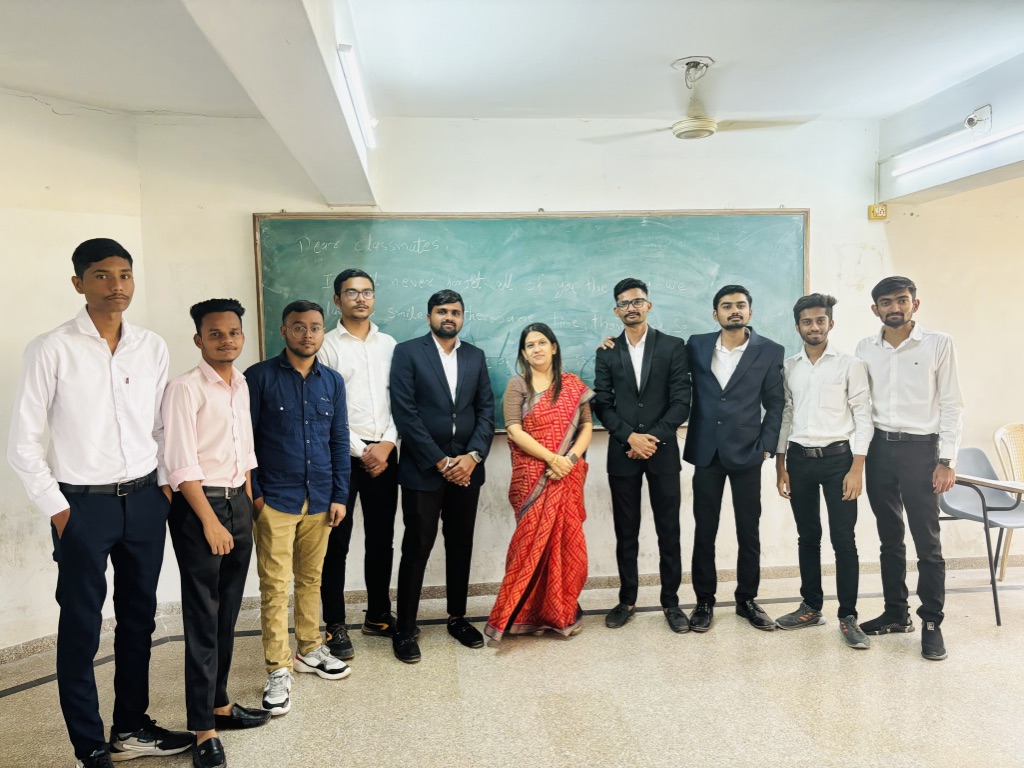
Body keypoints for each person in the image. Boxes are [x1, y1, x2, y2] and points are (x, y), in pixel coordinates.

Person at [7, 238, 194, 768]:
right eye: (102, 275)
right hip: (82, 507)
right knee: (82, 625)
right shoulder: (51, 348)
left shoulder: (150, 345)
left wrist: (163, 485)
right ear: (78, 283)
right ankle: (89, 746)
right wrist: (60, 509)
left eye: (125, 275)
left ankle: (131, 728)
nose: (117, 286)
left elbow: (160, 426)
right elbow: (23, 443)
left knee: (139, 619)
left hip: (144, 501)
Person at [162, 299, 271, 768]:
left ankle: (220, 704)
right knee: (203, 617)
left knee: (227, 610)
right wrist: (210, 520)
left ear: (242, 336)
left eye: (233, 332)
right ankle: (202, 728)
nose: (226, 340)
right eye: (215, 334)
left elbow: (243, 451)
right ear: (198, 339)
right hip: (200, 506)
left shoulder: (240, 384)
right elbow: (179, 463)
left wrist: (245, 502)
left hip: (236, 501)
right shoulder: (184, 388)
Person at [246, 300, 351, 716]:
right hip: (276, 498)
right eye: (299, 327)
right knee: (275, 587)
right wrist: (256, 495)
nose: (308, 334)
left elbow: (339, 440)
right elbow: (246, 440)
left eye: (315, 327)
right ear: (284, 330)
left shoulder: (333, 381)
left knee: (310, 579)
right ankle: (278, 667)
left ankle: (309, 647)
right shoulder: (259, 377)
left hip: (321, 498)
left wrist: (339, 495)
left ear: (323, 331)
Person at [855, 276, 964, 661]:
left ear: (914, 304)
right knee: (889, 538)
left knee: (927, 543)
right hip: (880, 449)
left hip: (922, 451)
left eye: (901, 300)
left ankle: (932, 622)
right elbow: (861, 406)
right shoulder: (865, 348)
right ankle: (895, 613)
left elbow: (952, 404)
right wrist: (859, 456)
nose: (894, 307)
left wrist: (946, 460)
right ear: (875, 309)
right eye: (886, 302)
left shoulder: (938, 343)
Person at [389, 289, 495, 663]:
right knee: (416, 547)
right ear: (429, 316)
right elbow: (405, 413)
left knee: (461, 544)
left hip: (468, 469)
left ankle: (457, 618)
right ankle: (405, 628)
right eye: (441, 311)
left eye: (455, 312)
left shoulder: (475, 356)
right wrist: (440, 461)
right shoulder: (408, 352)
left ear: (462, 317)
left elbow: (486, 411)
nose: (448, 317)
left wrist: (473, 457)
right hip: (423, 470)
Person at [592, 278, 692, 633]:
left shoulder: (673, 346)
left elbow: (681, 401)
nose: (631, 307)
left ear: (648, 305)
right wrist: (630, 438)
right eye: (624, 303)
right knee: (626, 532)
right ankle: (627, 600)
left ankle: (671, 603)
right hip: (623, 453)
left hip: (662, 452)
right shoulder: (606, 351)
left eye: (637, 301)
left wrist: (651, 439)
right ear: (616, 310)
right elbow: (602, 403)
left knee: (669, 531)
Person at [684, 284, 785, 632]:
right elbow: (663, 364)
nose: (734, 310)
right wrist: (615, 343)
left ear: (750, 312)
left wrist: (766, 444)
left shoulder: (770, 350)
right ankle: (704, 601)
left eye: (740, 305)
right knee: (704, 531)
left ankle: (747, 600)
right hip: (706, 452)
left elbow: (775, 403)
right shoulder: (696, 345)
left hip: (748, 452)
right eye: (727, 306)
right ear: (716, 314)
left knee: (748, 531)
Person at [774, 294, 873, 649]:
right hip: (799, 460)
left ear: (831, 323)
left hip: (839, 461)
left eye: (820, 320)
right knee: (808, 536)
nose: (814, 327)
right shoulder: (789, 367)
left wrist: (857, 467)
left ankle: (848, 616)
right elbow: (786, 415)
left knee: (843, 539)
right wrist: (780, 464)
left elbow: (863, 416)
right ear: (797, 326)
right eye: (807, 321)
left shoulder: (850, 365)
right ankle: (811, 608)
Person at [486, 323, 594, 639]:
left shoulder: (572, 385)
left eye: (542, 342)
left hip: (566, 475)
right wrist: (552, 459)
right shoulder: (518, 385)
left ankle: (561, 612)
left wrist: (568, 460)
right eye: (530, 345)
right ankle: (520, 613)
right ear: (523, 352)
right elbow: (514, 430)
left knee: (568, 547)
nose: (537, 349)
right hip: (534, 476)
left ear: (554, 347)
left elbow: (586, 426)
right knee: (527, 548)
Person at [316, 269, 400, 660]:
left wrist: (387, 443)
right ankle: (335, 623)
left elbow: (401, 399)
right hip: (341, 454)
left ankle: (378, 615)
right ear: (337, 300)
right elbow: (325, 406)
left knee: (382, 539)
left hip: (386, 449)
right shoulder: (327, 345)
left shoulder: (389, 344)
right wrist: (361, 450)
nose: (361, 299)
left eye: (367, 292)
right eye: (351, 293)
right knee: (336, 541)